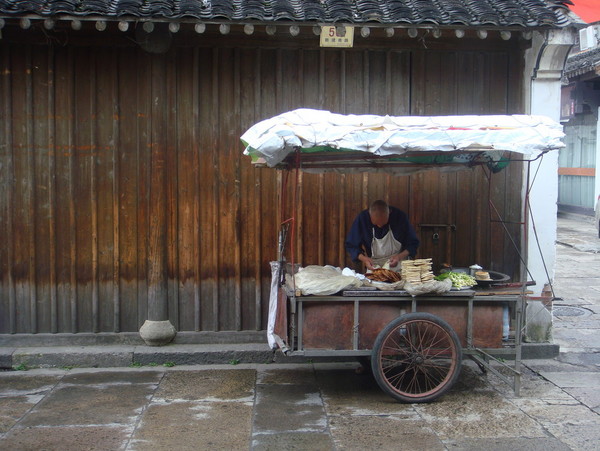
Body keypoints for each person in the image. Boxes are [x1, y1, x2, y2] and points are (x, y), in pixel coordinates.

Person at [345, 200, 419, 271]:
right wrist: (365, 259)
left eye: (383, 223)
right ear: (369, 215)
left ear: (389, 213)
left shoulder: (400, 218)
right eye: (376, 224)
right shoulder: (362, 219)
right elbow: (351, 246)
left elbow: (413, 244)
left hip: (398, 265)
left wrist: (399, 257)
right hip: (374, 266)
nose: (380, 226)